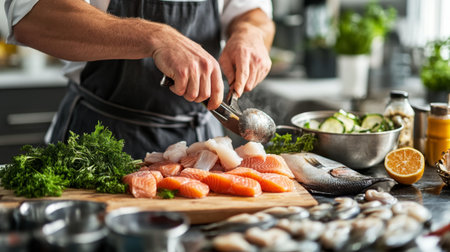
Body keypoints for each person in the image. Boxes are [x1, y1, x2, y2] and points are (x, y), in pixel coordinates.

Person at [4, 0, 275, 159]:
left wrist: (251, 31)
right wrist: (154, 37)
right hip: (95, 141)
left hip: (200, 141)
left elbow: (254, 13)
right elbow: (32, 15)